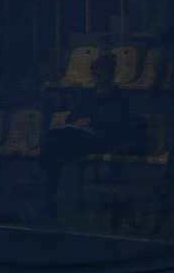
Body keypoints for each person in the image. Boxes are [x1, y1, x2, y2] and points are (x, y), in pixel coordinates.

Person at [38, 54, 136, 224]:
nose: (96, 78)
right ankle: (48, 199)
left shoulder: (118, 97)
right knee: (53, 137)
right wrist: (80, 123)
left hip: (101, 138)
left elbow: (117, 123)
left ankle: (44, 185)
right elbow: (72, 117)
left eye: (100, 74)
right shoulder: (87, 95)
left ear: (110, 74)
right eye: (93, 74)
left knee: (57, 148)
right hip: (80, 134)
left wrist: (91, 120)